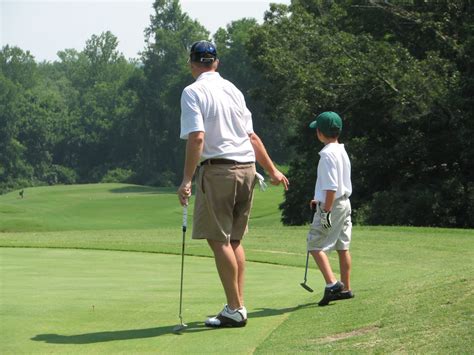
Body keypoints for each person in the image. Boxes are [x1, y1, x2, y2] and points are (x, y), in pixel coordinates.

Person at [177, 40, 289, 327]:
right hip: (247, 170)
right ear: (216, 62)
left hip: (219, 172)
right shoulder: (234, 90)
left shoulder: (192, 92)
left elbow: (197, 138)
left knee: (218, 240)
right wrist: (273, 171)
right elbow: (251, 137)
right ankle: (237, 306)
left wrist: (187, 180)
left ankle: (235, 308)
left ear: (192, 64)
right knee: (234, 240)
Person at [307, 111, 354, 306]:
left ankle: (332, 284)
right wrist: (318, 199)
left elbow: (331, 188)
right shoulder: (341, 150)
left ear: (319, 132)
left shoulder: (326, 155)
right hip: (344, 203)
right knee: (342, 246)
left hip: (332, 205)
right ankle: (345, 289)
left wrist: (324, 211)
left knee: (315, 244)